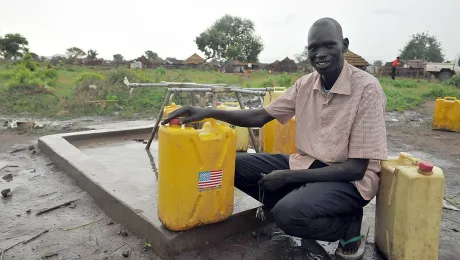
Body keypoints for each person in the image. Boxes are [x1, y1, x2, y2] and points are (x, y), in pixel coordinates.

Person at [162, 17, 387, 259]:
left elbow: (355, 169)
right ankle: (303, 204)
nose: (320, 54)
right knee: (229, 165)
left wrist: (290, 176)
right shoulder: (305, 84)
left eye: (329, 46)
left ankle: (348, 225)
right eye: (313, 48)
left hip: (351, 180)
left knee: (287, 214)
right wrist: (208, 111)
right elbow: (260, 116)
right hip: (309, 163)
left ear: (344, 45)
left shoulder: (367, 89)